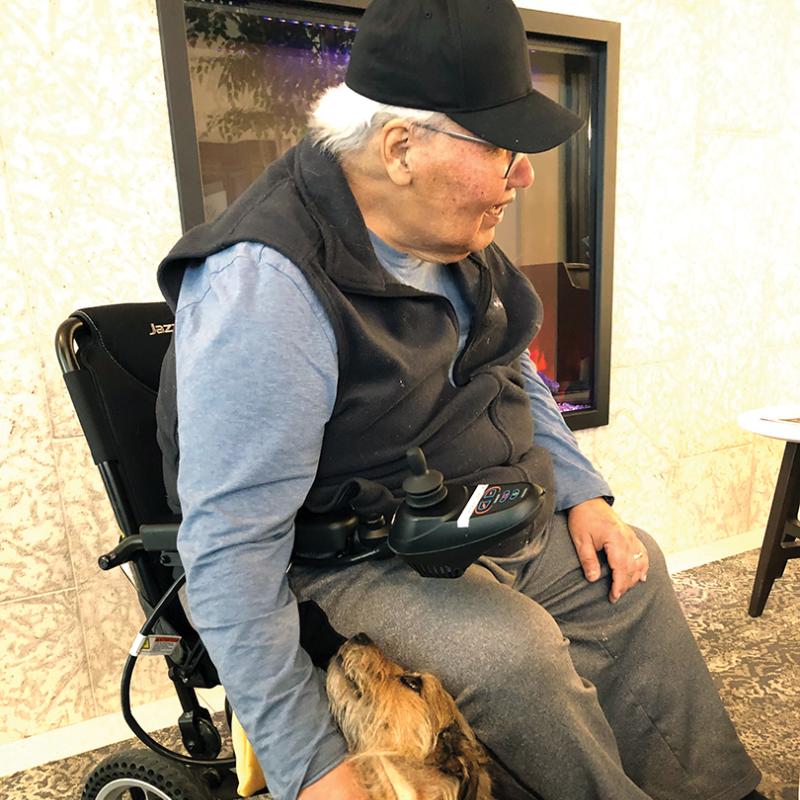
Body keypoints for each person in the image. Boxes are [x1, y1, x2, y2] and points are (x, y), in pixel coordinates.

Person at [155, 1, 766, 798]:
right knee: (510, 655)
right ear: (401, 148)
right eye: (502, 147)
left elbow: (508, 367)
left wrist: (583, 493)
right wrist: (310, 767)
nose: (525, 174)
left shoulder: (447, 236)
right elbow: (229, 552)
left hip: (468, 516)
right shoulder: (267, 287)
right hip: (350, 560)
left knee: (630, 576)